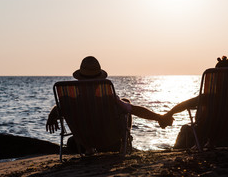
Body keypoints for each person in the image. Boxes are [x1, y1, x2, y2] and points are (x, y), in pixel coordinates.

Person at [46, 56, 174, 152]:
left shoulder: (71, 101)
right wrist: (159, 117)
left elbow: (59, 108)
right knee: (126, 103)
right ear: (100, 78)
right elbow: (133, 109)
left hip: (84, 141)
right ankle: (125, 144)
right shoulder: (107, 98)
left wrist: (51, 116)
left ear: (79, 78)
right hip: (108, 140)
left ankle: (89, 150)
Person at [160, 56, 228, 148]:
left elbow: (184, 105)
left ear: (216, 78)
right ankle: (210, 143)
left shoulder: (209, 97)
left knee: (190, 124)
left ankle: (205, 143)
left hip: (208, 130)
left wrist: (168, 114)